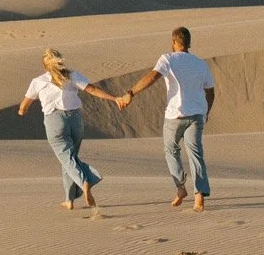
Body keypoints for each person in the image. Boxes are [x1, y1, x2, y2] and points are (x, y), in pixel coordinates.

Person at [116, 26, 216, 211]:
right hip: (196, 115)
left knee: (171, 150)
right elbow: (210, 91)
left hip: (175, 115)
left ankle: (180, 188)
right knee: (195, 153)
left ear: (174, 42)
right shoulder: (201, 63)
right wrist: (207, 111)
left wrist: (131, 92)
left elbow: (153, 76)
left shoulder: (168, 59)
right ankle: (199, 195)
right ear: (189, 43)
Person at [17, 48, 126, 212]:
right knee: (69, 158)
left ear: (44, 65)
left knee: (66, 157)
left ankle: (86, 180)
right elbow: (92, 89)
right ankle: (69, 200)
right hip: (75, 120)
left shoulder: (38, 81)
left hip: (55, 121)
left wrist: (21, 111)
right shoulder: (73, 76)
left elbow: (24, 105)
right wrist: (114, 98)